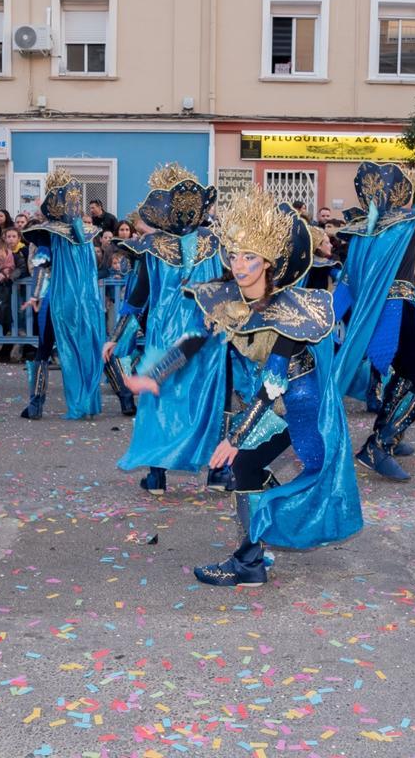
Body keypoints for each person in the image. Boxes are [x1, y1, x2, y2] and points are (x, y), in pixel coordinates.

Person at [125, 186, 361, 587]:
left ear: (268, 263)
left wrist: (235, 436)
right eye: (234, 255)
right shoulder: (230, 299)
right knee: (247, 466)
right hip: (272, 398)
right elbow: (194, 341)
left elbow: (273, 386)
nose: (239, 265)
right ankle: (253, 553)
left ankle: (252, 555)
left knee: (244, 461)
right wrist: (156, 373)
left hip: (300, 402)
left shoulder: (289, 313)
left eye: (249, 257)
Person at [330, 163, 415, 481]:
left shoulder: (363, 229)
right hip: (398, 312)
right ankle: (380, 444)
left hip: (376, 313)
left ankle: (387, 434)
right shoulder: (410, 224)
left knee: (405, 374)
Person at [106, 164, 227, 494]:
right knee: (207, 401)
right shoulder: (215, 242)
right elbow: (231, 284)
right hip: (207, 332)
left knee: (161, 402)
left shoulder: (152, 246)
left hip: (167, 334)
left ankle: (157, 476)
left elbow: (138, 297)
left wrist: (117, 337)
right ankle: (218, 473)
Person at [20, 170, 106, 420]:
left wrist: (41, 270)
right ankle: (108, 399)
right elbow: (45, 257)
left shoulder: (59, 232)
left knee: (45, 349)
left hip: (60, 301)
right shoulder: (87, 233)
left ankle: (36, 403)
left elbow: (41, 260)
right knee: (88, 346)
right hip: (83, 302)